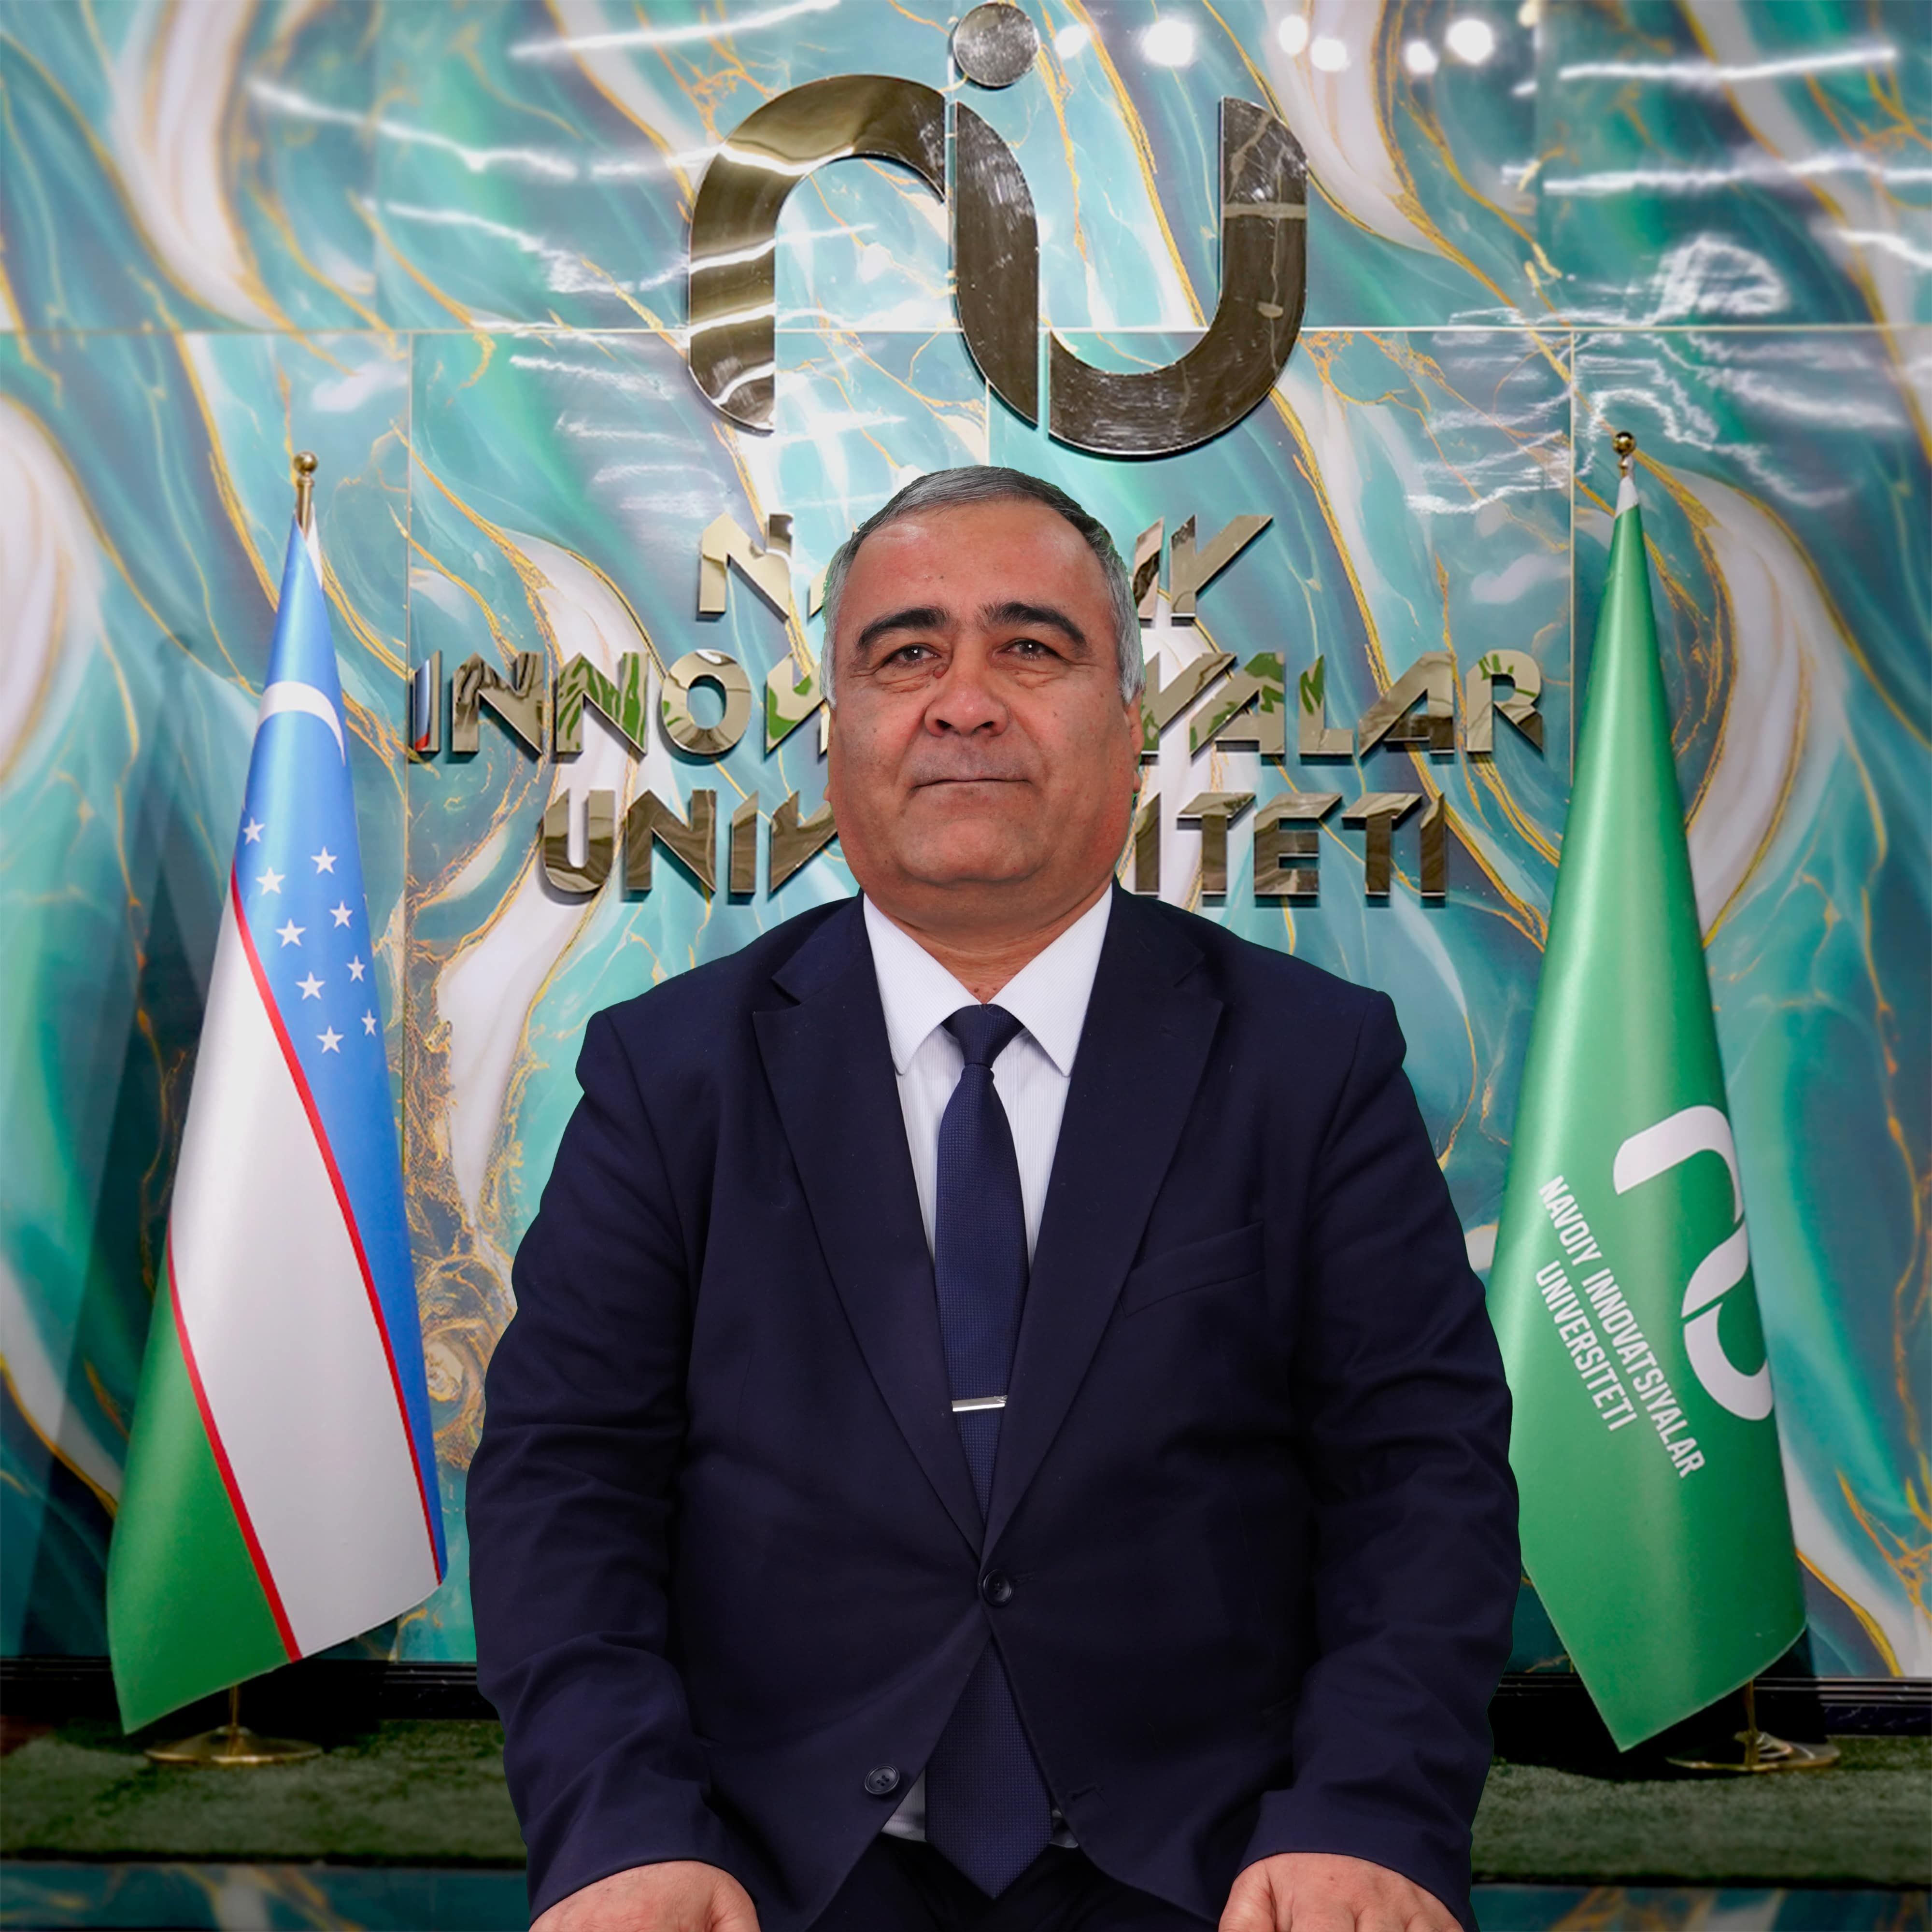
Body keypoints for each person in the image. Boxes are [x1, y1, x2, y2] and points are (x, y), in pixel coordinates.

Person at [468, 468, 1519, 1932]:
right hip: (766, 1882)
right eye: (906, 655)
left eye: (1031, 647)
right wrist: (623, 1832)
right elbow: (567, 1481)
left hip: (1223, 1879)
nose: (964, 702)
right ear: (834, 737)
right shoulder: (670, 1077)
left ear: (1132, 728)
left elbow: (1421, 1476)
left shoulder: (1311, 1064)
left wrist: (1368, 1816)